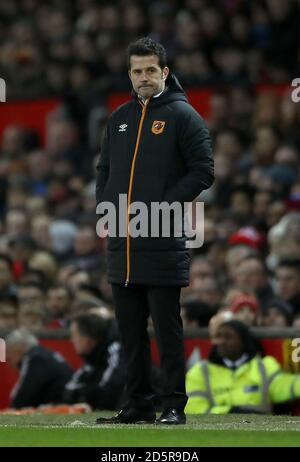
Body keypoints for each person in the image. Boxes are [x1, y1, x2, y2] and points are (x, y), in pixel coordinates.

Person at [95, 37, 214, 424]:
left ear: (164, 72)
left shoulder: (184, 116)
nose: (143, 77)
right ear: (129, 74)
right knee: (130, 333)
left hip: (163, 238)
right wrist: (106, 208)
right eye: (136, 71)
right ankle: (138, 404)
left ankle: (174, 405)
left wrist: (164, 203)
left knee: (167, 330)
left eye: (150, 70)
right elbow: (104, 170)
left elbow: (203, 171)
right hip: (122, 243)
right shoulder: (118, 118)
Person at [185, 320, 300, 414]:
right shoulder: (200, 371)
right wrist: (230, 411)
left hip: (259, 432)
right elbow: (193, 408)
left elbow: (284, 387)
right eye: (218, 337)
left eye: (228, 337)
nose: (221, 342)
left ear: (243, 341)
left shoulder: (264, 366)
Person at [63, 313, 125, 410]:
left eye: (75, 335)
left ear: (87, 338)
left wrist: (84, 394)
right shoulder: (92, 356)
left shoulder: (116, 348)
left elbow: (112, 391)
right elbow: (69, 390)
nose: (71, 340)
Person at [6, 329, 73, 408]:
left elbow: (21, 399)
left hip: (63, 409)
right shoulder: (47, 354)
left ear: (17, 350)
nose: (10, 364)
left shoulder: (34, 359)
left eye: (9, 357)